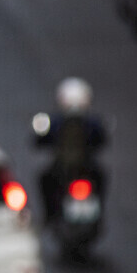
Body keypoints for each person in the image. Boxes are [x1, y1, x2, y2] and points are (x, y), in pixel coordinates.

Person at [35, 78, 106, 223]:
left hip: (64, 167)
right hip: (85, 167)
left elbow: (40, 140)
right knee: (102, 178)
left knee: (44, 180)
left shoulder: (56, 122)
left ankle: (49, 216)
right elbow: (102, 139)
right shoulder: (91, 122)